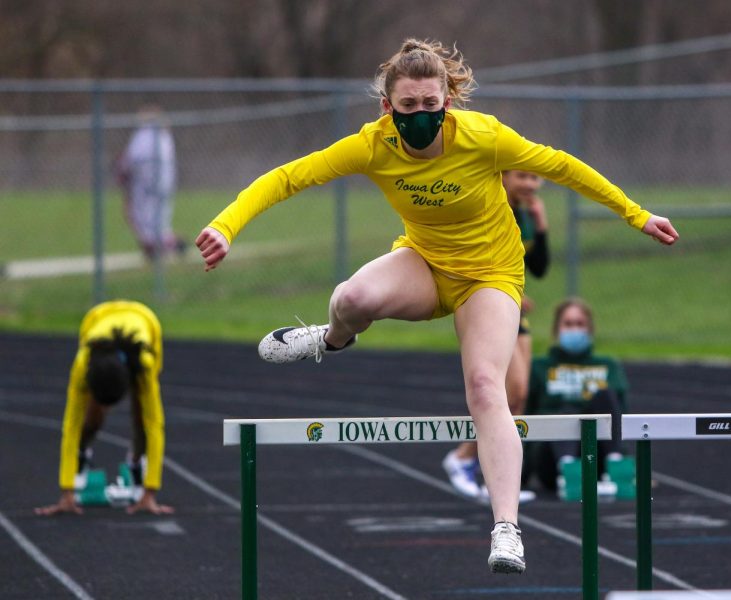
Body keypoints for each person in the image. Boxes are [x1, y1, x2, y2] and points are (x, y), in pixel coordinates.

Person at [195, 39, 678, 575]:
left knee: (485, 387)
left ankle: (506, 528)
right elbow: (289, 177)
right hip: (424, 263)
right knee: (351, 298)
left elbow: (564, 168)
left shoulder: (484, 137)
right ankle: (331, 339)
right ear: (388, 108)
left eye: (431, 105)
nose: (421, 116)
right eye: (408, 108)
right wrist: (225, 225)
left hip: (491, 276)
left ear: (448, 100)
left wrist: (637, 215)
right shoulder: (371, 145)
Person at [442, 170, 549, 500]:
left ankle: (494, 481)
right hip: (491, 307)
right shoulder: (493, 206)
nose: (530, 185)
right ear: (503, 177)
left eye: (535, 178)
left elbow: (540, 268)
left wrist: (541, 225)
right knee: (509, 390)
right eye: (522, 177)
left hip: (514, 311)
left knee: (517, 399)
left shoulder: (526, 213)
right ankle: (462, 457)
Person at [35, 300, 173, 516]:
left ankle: (136, 465)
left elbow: (155, 425)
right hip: (95, 319)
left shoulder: (144, 364)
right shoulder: (83, 364)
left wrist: (150, 492)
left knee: (142, 417)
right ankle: (80, 458)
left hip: (147, 322)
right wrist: (66, 492)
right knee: (91, 417)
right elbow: (70, 424)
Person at [525, 298, 629, 498]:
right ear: (557, 330)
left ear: (590, 329)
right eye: (568, 324)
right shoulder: (539, 367)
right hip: (551, 458)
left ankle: (615, 464)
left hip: (597, 455)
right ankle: (568, 469)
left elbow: (621, 414)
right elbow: (526, 412)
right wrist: (522, 472)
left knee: (604, 394)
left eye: (580, 324)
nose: (574, 329)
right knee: (567, 411)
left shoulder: (608, 365)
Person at [114, 105, 184, 259]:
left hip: (146, 185)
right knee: (159, 216)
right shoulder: (164, 137)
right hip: (165, 183)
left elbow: (131, 161)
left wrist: (123, 173)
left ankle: (156, 245)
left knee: (143, 216)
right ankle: (165, 242)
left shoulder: (143, 136)